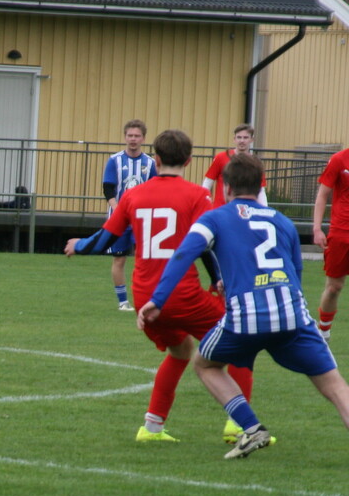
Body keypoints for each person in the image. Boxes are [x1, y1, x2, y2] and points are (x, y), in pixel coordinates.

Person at [139, 153, 349, 459]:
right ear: (260, 187)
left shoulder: (215, 218)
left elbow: (184, 254)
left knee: (205, 364)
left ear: (226, 187)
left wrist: (158, 299)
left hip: (246, 317)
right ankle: (250, 429)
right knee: (336, 386)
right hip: (292, 315)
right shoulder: (283, 221)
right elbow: (296, 272)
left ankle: (250, 428)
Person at [67, 129, 255, 443]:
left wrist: (80, 245)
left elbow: (106, 237)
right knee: (242, 342)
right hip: (181, 294)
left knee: (181, 350)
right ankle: (239, 426)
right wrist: (218, 278)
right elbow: (206, 242)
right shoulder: (196, 195)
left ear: (155, 160)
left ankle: (152, 428)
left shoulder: (133, 195)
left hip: (144, 296)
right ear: (189, 160)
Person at [102, 120, 158, 311]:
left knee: (145, 260)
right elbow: (108, 189)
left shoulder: (150, 163)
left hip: (142, 219)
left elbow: (154, 190)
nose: (133, 139)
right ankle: (123, 302)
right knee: (119, 259)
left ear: (143, 138)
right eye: (130, 135)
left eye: (137, 136)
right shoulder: (114, 160)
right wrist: (119, 211)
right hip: (120, 219)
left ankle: (145, 299)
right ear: (125, 137)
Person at [311, 145, 349, 341]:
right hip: (341, 233)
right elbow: (322, 194)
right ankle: (324, 331)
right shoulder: (339, 159)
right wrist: (317, 229)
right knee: (334, 287)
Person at [201, 124, 267, 208]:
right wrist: (204, 201)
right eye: (239, 137)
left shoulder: (255, 162)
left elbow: (261, 190)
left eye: (245, 137)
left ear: (251, 140)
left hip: (244, 210)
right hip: (221, 208)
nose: (242, 141)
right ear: (234, 139)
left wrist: (264, 208)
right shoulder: (221, 157)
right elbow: (208, 181)